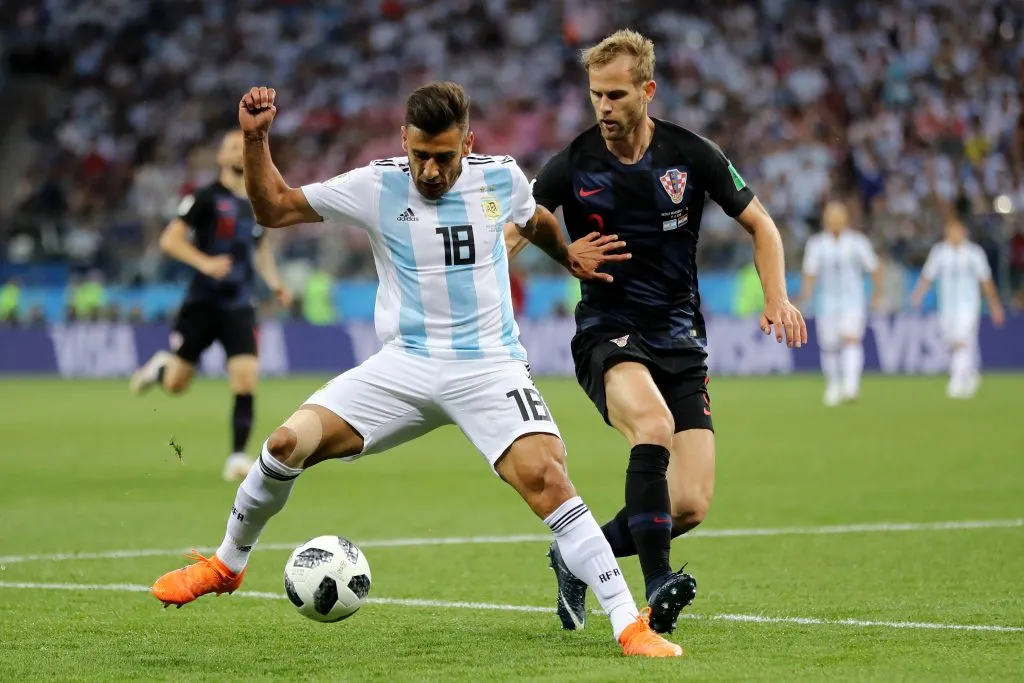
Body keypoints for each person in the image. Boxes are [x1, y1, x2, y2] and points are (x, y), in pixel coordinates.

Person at [150, 82, 682, 658]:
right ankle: (227, 564)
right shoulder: (375, 185)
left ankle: (630, 625)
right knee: (284, 444)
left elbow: (534, 220)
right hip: (402, 367)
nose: (430, 170)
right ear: (403, 140)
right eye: (420, 155)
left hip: (488, 367)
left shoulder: (499, 176)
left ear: (468, 145)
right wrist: (256, 141)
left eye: (445, 157)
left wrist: (569, 255)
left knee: (549, 480)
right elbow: (273, 208)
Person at [513, 29, 807, 635]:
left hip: (680, 339)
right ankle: (654, 589)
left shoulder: (692, 154)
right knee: (653, 427)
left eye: (616, 95)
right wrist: (565, 255)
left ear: (647, 91)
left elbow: (764, 227)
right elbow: (517, 229)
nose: (603, 107)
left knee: (690, 504)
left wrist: (777, 295)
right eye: (595, 95)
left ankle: (574, 554)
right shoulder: (574, 162)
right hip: (608, 332)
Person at [129, 131, 293, 482]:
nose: (238, 151)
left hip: (238, 304)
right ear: (220, 157)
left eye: (242, 147)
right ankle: (161, 369)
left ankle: (237, 456)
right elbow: (170, 240)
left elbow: (260, 249)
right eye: (231, 146)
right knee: (176, 384)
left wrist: (275, 283)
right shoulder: (204, 197)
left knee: (246, 378)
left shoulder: (256, 201)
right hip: (202, 303)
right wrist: (204, 263)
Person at [909, 218, 1005, 398]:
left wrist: (995, 306)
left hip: (968, 305)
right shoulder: (939, 252)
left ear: (963, 232)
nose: (952, 234)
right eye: (949, 231)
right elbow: (928, 275)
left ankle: (956, 380)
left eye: (956, 230)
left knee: (962, 339)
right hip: (946, 307)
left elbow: (985, 281)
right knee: (952, 342)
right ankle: (970, 374)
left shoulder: (974, 253)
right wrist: (918, 295)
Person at [800, 200, 881, 406]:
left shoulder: (857, 242)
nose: (834, 220)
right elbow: (810, 273)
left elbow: (874, 268)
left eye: (838, 215)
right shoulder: (816, 244)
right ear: (825, 219)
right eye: (830, 216)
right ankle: (834, 385)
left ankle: (851, 386)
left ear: (845, 218)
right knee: (829, 346)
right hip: (825, 303)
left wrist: (876, 293)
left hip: (853, 302)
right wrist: (806, 295)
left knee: (851, 339)